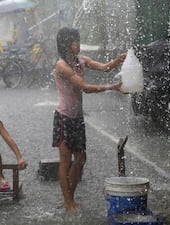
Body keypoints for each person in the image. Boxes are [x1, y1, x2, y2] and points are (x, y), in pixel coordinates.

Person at [52, 27, 128, 213]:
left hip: (77, 118)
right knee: (65, 160)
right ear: (67, 44)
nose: (79, 43)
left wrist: (119, 60)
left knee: (81, 158)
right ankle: (68, 201)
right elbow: (85, 87)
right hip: (63, 117)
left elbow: (104, 67)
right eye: (76, 41)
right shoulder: (62, 66)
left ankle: (70, 198)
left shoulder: (81, 60)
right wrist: (113, 87)